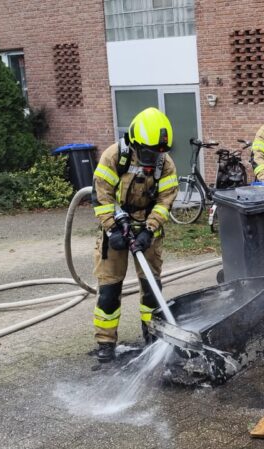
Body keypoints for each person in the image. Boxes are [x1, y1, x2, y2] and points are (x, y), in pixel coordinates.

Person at [90, 107, 178, 362]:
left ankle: (152, 336)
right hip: (116, 225)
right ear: (135, 142)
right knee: (109, 289)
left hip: (147, 224)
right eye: (149, 152)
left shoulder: (165, 163)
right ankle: (105, 344)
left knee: (152, 287)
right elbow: (101, 196)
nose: (154, 158)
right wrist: (112, 229)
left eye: (158, 153)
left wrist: (149, 230)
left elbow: (165, 201)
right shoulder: (114, 157)